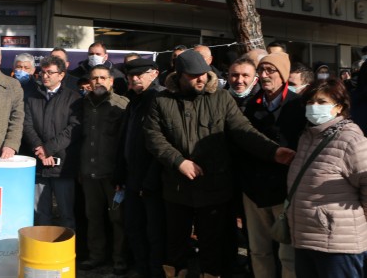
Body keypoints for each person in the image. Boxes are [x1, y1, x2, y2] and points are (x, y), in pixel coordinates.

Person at [143, 50, 295, 278]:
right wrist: (178, 161)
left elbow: (243, 131)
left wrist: (273, 152)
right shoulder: (161, 101)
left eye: (203, 74)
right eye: (194, 76)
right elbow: (153, 137)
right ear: (180, 75)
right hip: (176, 188)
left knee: (212, 247)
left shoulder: (221, 99)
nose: (201, 79)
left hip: (214, 189)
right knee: (175, 245)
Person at [288, 78, 367, 277]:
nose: (314, 107)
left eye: (322, 102)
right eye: (310, 102)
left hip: (338, 244)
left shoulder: (350, 139)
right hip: (305, 237)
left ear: (339, 107)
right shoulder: (307, 137)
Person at [241, 52, 306, 278]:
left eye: (271, 70)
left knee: (288, 254)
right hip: (254, 191)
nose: (264, 75)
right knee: (259, 251)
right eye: (261, 70)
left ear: (284, 74)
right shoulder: (250, 104)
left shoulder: (299, 105)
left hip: (286, 190)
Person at [78, 65, 129, 275]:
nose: (98, 82)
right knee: (93, 217)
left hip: (112, 175)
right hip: (88, 173)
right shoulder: (82, 104)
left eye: (102, 78)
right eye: (94, 78)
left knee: (118, 219)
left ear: (111, 81)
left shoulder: (122, 105)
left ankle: (120, 259)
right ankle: (96, 257)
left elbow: (126, 141)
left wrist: (123, 173)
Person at [117, 58, 165, 278]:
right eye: (130, 75)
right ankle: (142, 269)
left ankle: (155, 272)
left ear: (154, 73)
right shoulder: (133, 101)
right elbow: (124, 140)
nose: (134, 78)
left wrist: (151, 180)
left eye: (140, 74)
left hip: (151, 180)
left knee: (154, 232)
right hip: (131, 177)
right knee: (134, 228)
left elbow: (162, 146)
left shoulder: (160, 99)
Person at [23, 56, 82, 229]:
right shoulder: (31, 97)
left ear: (61, 75)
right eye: (43, 72)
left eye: (50, 72)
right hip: (39, 166)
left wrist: (48, 149)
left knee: (66, 215)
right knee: (41, 215)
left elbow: (74, 129)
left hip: (63, 167)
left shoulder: (74, 98)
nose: (45, 76)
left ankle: (67, 254)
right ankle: (42, 253)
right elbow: (26, 126)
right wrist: (40, 149)